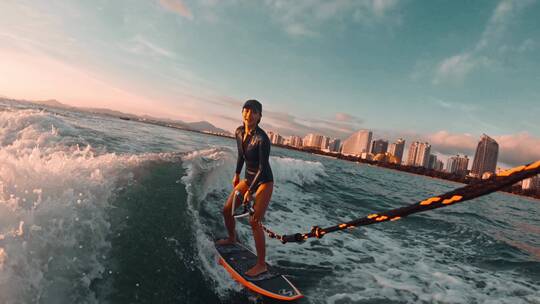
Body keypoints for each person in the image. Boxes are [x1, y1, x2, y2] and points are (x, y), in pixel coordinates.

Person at [216, 99, 274, 277]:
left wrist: (251, 190)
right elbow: (241, 154)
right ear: (242, 112)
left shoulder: (262, 139)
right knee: (227, 210)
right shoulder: (239, 131)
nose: (249, 114)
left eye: (254, 112)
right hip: (248, 179)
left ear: (259, 117)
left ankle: (261, 264)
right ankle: (232, 237)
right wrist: (236, 174)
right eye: (246, 110)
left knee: (254, 222)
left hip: (264, 181)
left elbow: (263, 168)